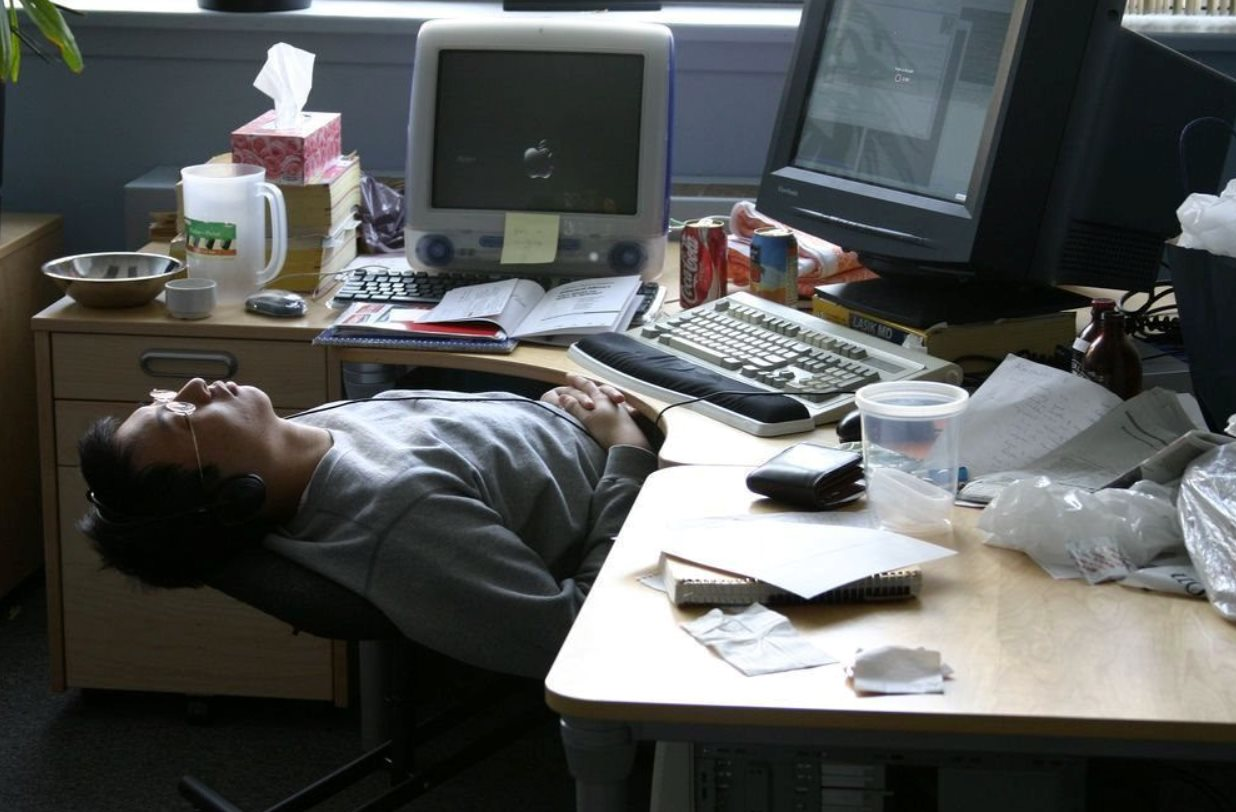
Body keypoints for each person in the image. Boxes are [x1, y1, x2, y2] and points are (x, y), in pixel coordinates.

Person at [78, 373, 658, 679]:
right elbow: (570, 637)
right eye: (180, 417)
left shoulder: (299, 440)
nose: (191, 388)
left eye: (163, 398)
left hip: (589, 431)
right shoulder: (399, 516)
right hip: (649, 500)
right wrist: (627, 450)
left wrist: (551, 416)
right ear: (236, 494)